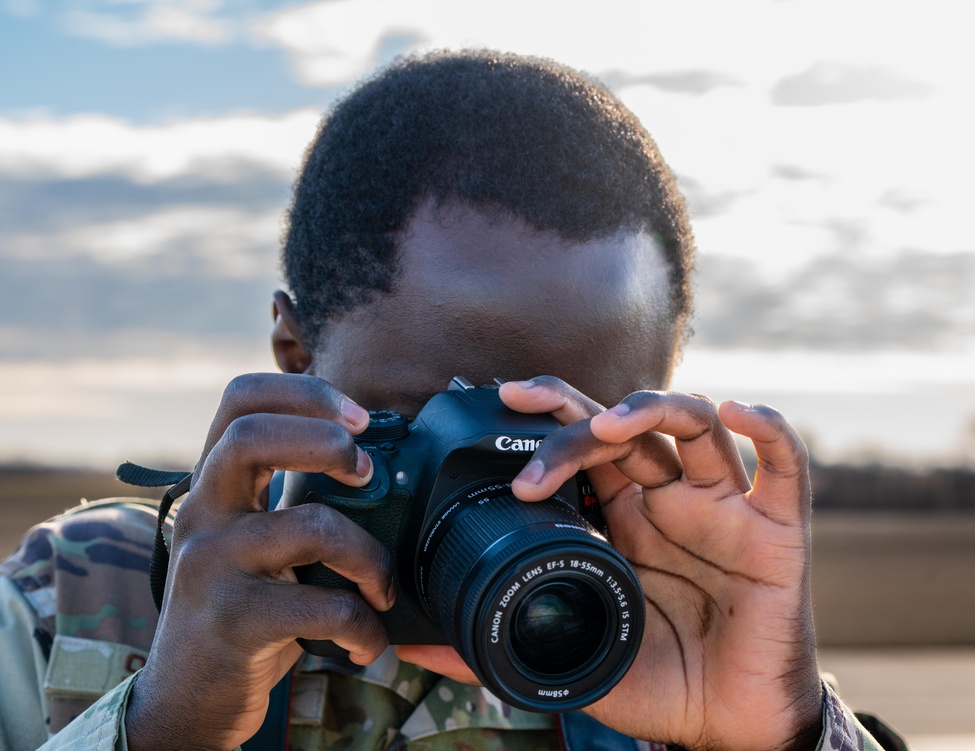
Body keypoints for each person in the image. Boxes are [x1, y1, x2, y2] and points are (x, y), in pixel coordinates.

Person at [0, 50, 905, 751]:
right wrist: (163, 722)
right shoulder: (78, 600)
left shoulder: (680, 629)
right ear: (296, 356)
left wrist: (778, 731)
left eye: (573, 438)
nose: (517, 495)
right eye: (431, 426)